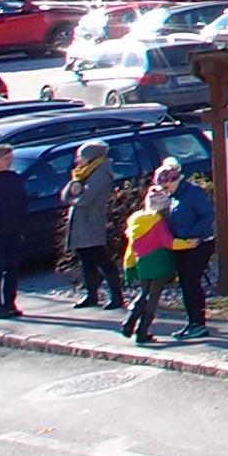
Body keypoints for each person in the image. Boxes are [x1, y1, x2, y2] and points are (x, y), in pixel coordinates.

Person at [59, 141, 121, 311]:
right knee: (86, 261)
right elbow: (64, 196)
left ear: (92, 157)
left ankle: (117, 296)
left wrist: (74, 196)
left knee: (101, 259)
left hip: (91, 224)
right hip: (80, 224)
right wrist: (74, 186)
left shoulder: (100, 174)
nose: (77, 160)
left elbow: (85, 199)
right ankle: (91, 295)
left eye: (82, 157)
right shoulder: (81, 174)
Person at [120, 166, 179, 344]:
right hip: (159, 263)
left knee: (143, 292)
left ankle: (130, 321)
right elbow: (169, 242)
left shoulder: (137, 221)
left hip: (143, 263)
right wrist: (188, 243)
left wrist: (129, 267)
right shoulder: (159, 223)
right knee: (153, 297)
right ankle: (142, 330)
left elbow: (131, 247)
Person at [163, 158, 216, 340]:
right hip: (182, 245)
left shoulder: (193, 193)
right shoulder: (173, 197)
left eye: (167, 183)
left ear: (175, 179)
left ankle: (199, 323)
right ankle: (192, 322)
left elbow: (207, 215)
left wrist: (191, 234)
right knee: (185, 282)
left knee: (191, 281)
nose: (165, 187)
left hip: (200, 243)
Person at [0, 144, 29, 319]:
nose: (10, 162)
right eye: (7, 159)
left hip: (15, 231)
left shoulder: (13, 178)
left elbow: (22, 201)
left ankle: (10, 303)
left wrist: (22, 222)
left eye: (11, 159)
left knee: (13, 269)